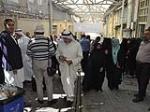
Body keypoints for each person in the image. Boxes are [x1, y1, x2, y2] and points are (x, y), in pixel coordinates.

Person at [27, 25, 56, 105]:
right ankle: (50, 100)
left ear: (35, 32)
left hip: (35, 63)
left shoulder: (31, 40)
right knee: (48, 82)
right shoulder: (47, 40)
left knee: (38, 82)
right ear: (43, 32)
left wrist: (36, 55)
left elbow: (28, 53)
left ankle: (40, 99)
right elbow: (52, 52)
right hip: (46, 63)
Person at [56, 31, 83, 106]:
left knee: (70, 82)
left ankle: (70, 98)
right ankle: (68, 95)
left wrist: (72, 61)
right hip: (64, 66)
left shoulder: (77, 45)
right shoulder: (60, 44)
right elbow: (57, 53)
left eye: (67, 38)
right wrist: (60, 57)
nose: (65, 40)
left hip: (73, 67)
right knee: (65, 82)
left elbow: (80, 56)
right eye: (64, 38)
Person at [0, 19, 24, 88]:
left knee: (18, 84)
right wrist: (13, 67)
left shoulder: (10, 36)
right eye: (9, 25)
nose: (11, 27)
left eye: (13, 25)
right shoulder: (4, 36)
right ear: (5, 26)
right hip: (12, 67)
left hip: (16, 66)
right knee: (13, 86)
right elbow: (7, 53)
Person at [132, 26, 150, 103]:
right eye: (144, 34)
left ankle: (140, 96)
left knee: (143, 80)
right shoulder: (142, 42)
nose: (144, 35)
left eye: (147, 34)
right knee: (139, 79)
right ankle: (141, 93)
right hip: (138, 64)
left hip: (146, 65)